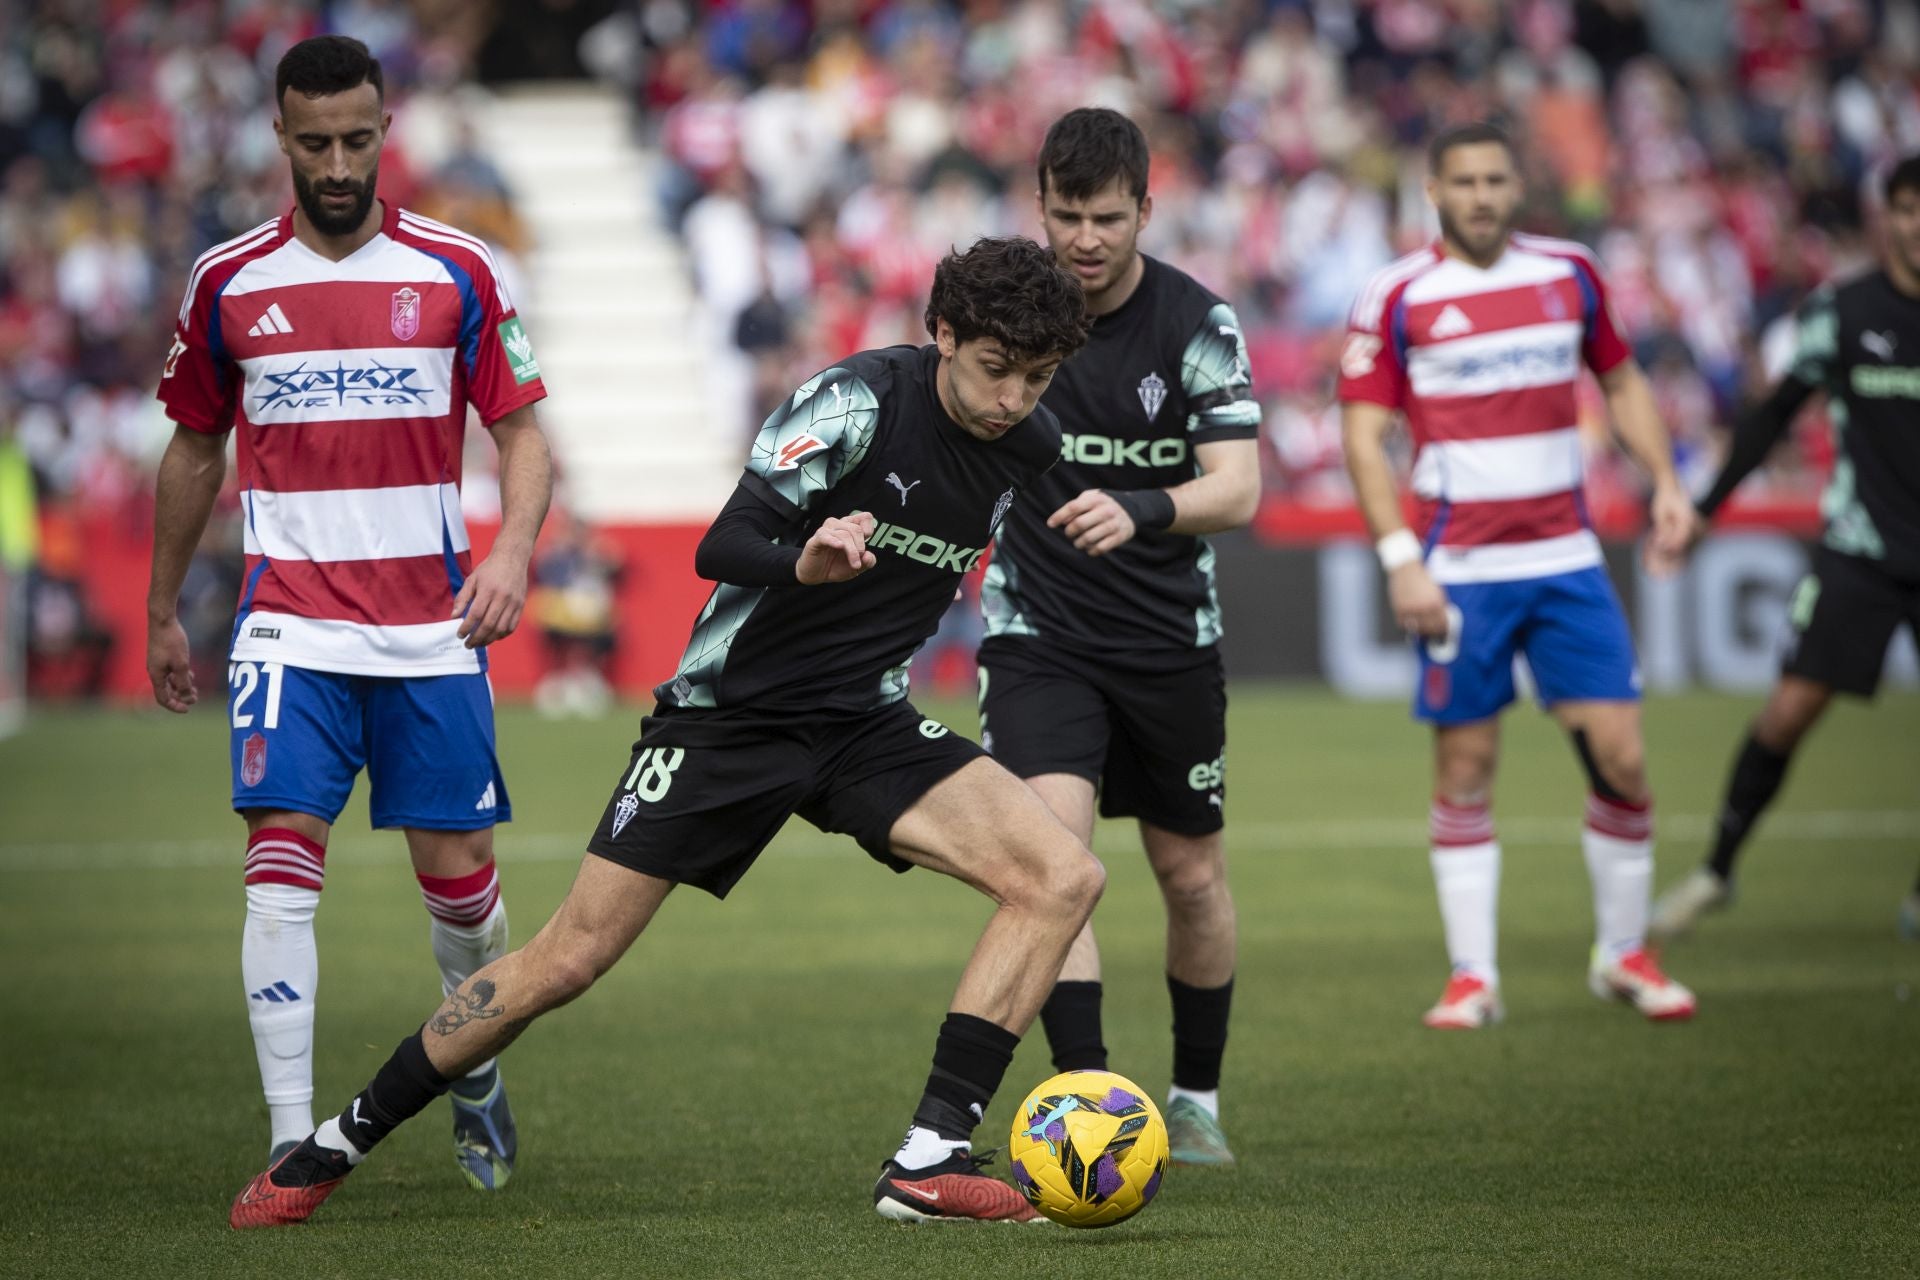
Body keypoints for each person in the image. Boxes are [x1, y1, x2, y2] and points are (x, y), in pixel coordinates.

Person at [227, 236, 1107, 1229]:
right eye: (995, 371)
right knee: (566, 958)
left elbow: (1068, 527)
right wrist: (806, 556)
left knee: (1063, 874)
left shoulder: (1029, 443)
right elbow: (721, 542)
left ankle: (926, 1159)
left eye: (1037, 379)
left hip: (865, 719)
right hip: (730, 717)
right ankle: (331, 1143)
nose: (1011, 400)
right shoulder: (858, 401)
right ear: (943, 333)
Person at [148, 36, 553, 1189]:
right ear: (280, 136)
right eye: (315, 141)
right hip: (293, 619)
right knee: (280, 857)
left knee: (463, 880)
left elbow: (523, 433)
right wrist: (162, 606)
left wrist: (514, 552)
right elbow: (193, 445)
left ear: (387, 130)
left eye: (357, 139)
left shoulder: (459, 269)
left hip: (433, 626)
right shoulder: (228, 280)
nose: (337, 162)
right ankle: (289, 1135)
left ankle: (468, 1063)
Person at [1337, 122, 1697, 1030]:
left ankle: (1623, 954)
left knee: (1621, 753)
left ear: (1517, 184)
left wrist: (1664, 482)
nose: (1484, 195)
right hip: (1460, 569)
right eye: (1465, 181)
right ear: (1435, 191)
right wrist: (1400, 559)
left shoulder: (1569, 272)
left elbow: (1620, 383)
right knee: (1466, 765)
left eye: (1497, 179)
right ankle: (1473, 976)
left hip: (1568, 556)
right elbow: (1362, 439)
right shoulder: (1398, 294)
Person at [978, 107, 1262, 1165]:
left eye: (1106, 218)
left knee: (1190, 874)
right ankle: (1087, 1102)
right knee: (1054, 864)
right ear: (1039, 206)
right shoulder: (1008, 314)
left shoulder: (1196, 323)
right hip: (1038, 636)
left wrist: (1140, 507)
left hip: (1167, 641)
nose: (1084, 240)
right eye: (1065, 215)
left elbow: (1240, 487)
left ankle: (1195, 1100)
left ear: (1147, 207)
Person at [1651, 155, 1920, 941]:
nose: (1915, 224)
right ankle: (1717, 869)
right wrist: (1704, 511)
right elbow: (1771, 418)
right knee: (1789, 711)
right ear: (1886, 218)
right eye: (1904, 209)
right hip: (1862, 548)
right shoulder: (1841, 312)